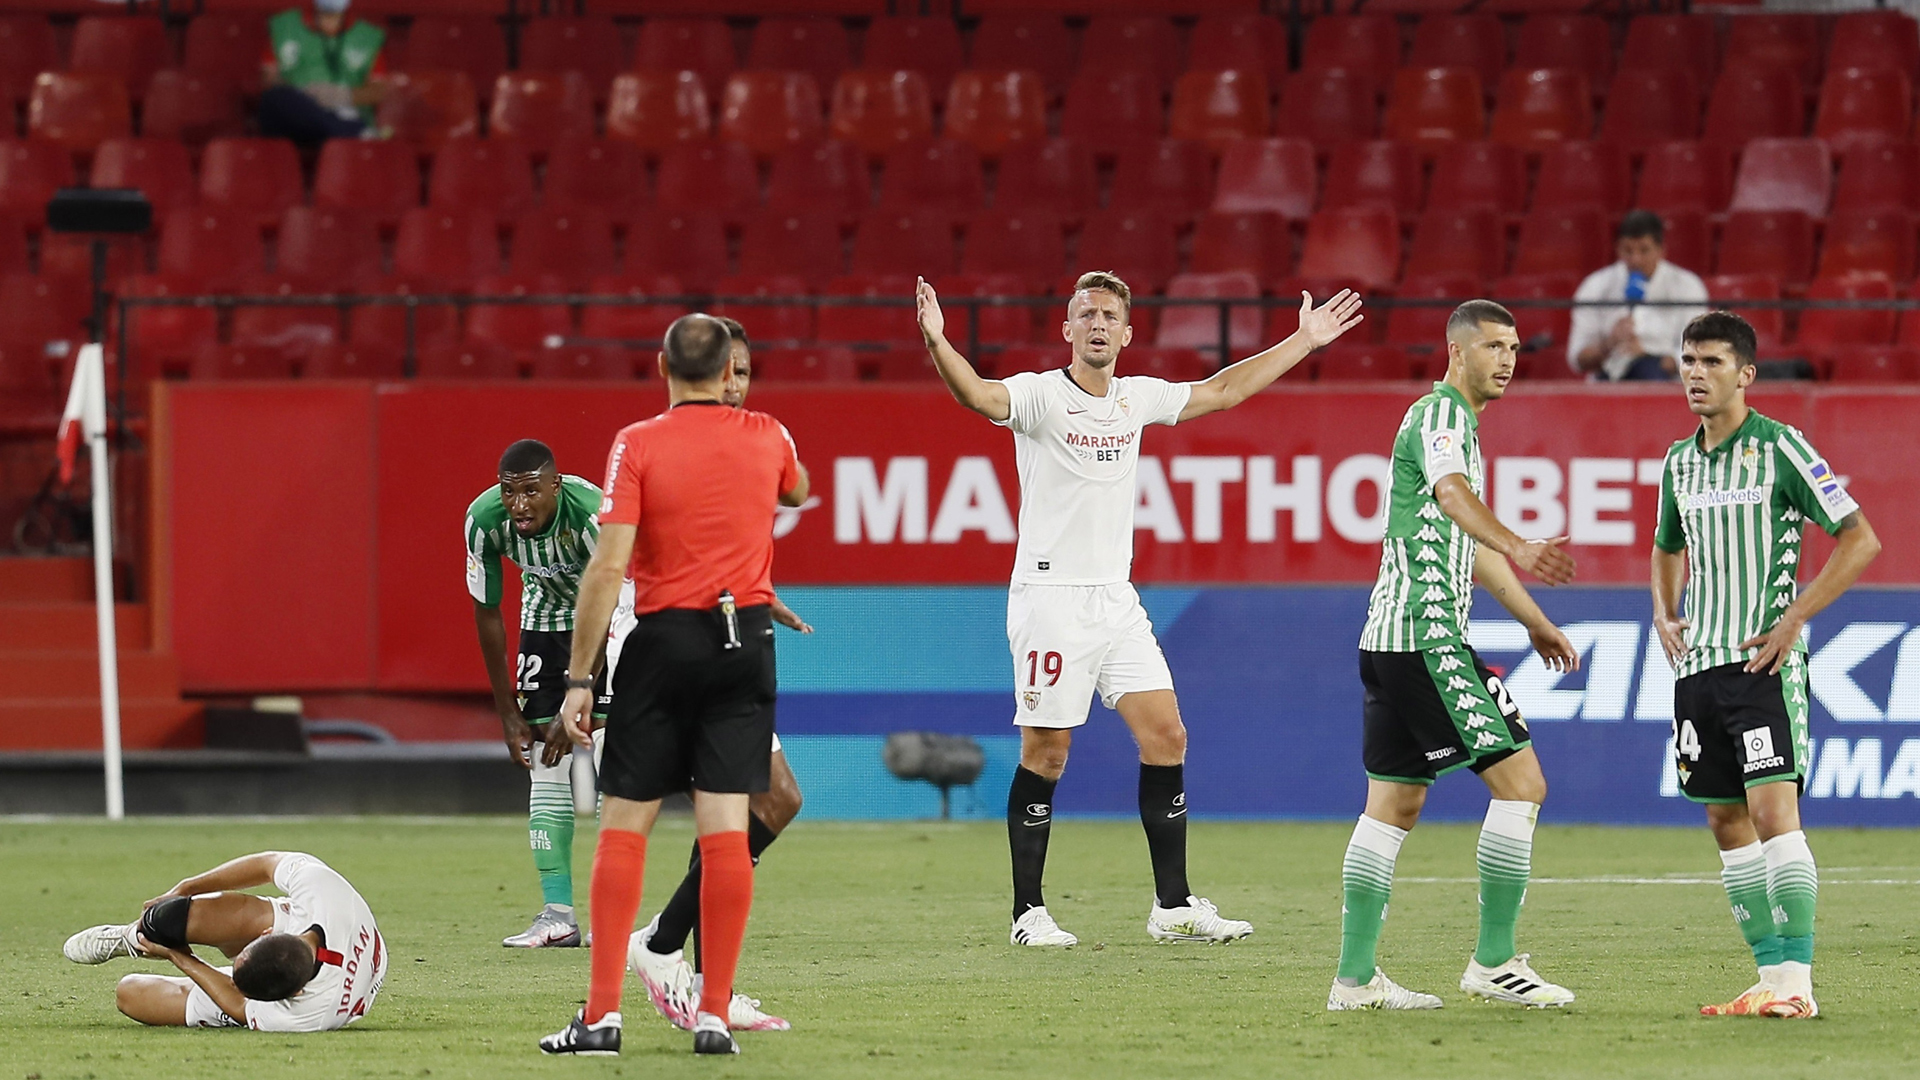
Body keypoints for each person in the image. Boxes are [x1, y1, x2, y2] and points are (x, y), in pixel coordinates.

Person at [915, 271, 1363, 948]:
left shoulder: (1137, 398)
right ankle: (1028, 913)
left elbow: (1224, 390)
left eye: (1109, 316)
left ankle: (1173, 906)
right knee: (1047, 752)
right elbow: (978, 394)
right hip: (1051, 599)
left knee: (1167, 736)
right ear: (1068, 329)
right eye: (1086, 313)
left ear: (1127, 334)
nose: (1097, 323)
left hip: (1116, 601)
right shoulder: (1040, 396)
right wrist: (938, 341)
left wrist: (1303, 340)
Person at [539, 314, 810, 1057]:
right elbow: (797, 490)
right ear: (727, 372)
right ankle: (713, 1018)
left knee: (625, 827)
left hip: (662, 641)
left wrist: (579, 679)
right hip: (743, 643)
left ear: (661, 367)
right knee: (726, 831)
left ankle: (601, 1017)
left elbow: (607, 568)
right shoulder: (769, 435)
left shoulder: (637, 443)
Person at [1330, 300, 1582, 1011]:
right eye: (1494, 346)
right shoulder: (1442, 415)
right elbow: (1451, 494)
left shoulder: (1457, 426)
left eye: (1515, 348)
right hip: (1428, 638)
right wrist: (1521, 543)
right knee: (1522, 785)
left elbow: (1467, 540)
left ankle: (1354, 980)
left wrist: (1534, 622)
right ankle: (1494, 963)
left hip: (1388, 641)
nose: (1507, 360)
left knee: (1394, 803)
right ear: (1457, 351)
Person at [1652, 312, 1881, 1019]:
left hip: (1762, 665)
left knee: (1772, 813)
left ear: (1746, 373)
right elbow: (1666, 545)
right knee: (1726, 819)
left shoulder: (1781, 446)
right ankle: (1769, 978)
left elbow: (1860, 539)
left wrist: (1795, 617)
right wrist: (1663, 610)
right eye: (1689, 360)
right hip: (1698, 668)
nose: (1696, 373)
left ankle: (1798, 985)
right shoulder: (1677, 462)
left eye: (1713, 362)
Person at [624, 315, 804, 1034]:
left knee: (773, 802)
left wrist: (757, 597)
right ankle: (692, 982)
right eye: (729, 371)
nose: (736, 384)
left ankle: (674, 956)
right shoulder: (659, 442)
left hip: (724, 637)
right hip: (666, 645)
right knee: (731, 812)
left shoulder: (748, 441)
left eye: (747, 373)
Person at [466, 439, 607, 948]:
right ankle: (558, 915)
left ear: (556, 485)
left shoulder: (593, 515)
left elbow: (616, 597)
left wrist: (579, 692)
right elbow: (486, 612)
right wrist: (507, 711)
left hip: (610, 623)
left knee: (613, 760)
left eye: (531, 491)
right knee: (545, 761)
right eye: (510, 492)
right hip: (545, 623)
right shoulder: (483, 521)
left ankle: (613, 917)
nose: (519, 505)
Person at [62, 852, 385, 1032]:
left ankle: (150, 943)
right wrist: (187, 888)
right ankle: (135, 937)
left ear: (294, 994)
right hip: (330, 934)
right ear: (267, 935)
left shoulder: (306, 1013)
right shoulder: (322, 891)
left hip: (330, 988)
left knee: (130, 994)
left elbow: (240, 1005)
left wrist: (178, 956)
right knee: (169, 919)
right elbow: (266, 864)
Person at [1567, 210, 1709, 381]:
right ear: (1618, 249)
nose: (1636, 260)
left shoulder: (1687, 286)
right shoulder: (1595, 286)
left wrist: (1652, 358)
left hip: (1664, 380)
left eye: (1644, 250)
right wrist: (1609, 344)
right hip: (1608, 377)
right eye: (1628, 250)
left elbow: (1699, 352)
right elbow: (1578, 359)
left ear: (1661, 250)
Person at [259, 0, 390, 147]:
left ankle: (347, 129)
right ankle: (353, 132)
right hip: (294, 119)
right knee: (274, 98)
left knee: (337, 121)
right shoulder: (285, 27)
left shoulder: (367, 36)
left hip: (345, 114)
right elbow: (268, 79)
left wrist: (344, 96)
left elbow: (378, 91)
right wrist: (303, 95)